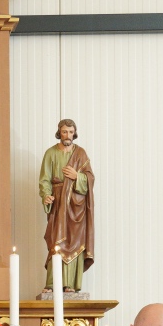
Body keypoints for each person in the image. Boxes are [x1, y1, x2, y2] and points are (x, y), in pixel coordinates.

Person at [39, 118, 95, 294]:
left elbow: (90, 178)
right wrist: (46, 195)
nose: (68, 135)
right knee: (56, 241)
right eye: (64, 132)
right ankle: (52, 283)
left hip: (76, 205)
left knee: (75, 241)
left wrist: (77, 176)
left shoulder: (81, 153)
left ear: (74, 133)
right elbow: (45, 179)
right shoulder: (51, 153)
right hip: (58, 203)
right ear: (59, 133)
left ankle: (70, 284)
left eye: (71, 132)